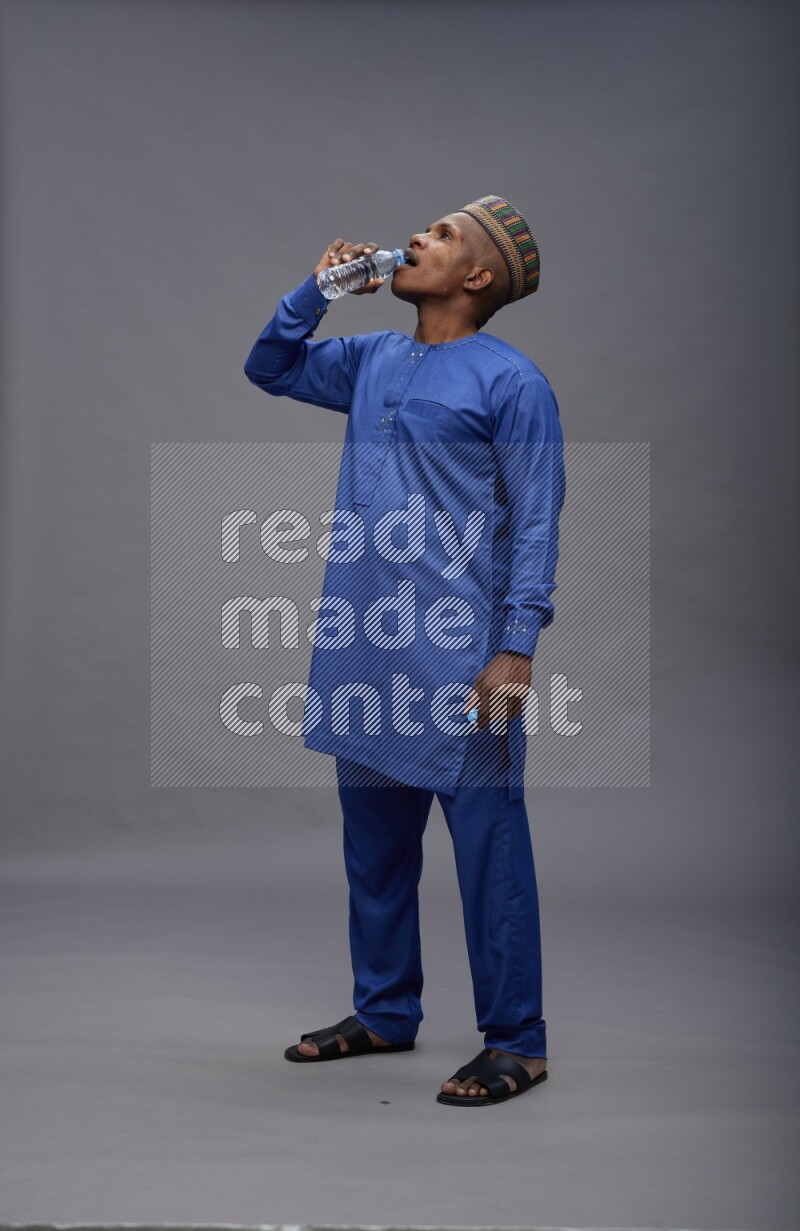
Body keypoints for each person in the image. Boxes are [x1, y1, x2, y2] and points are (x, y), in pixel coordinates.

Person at [244, 195, 566, 1106]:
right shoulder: (372, 359)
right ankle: (385, 1011)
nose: (416, 236)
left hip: (463, 657)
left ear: (475, 277)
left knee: (488, 853)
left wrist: (516, 647)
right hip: (364, 644)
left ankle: (519, 1039)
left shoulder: (512, 382)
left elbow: (538, 521)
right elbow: (268, 366)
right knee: (374, 847)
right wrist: (315, 293)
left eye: (444, 233)